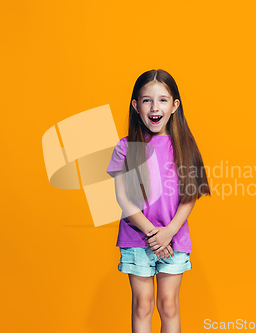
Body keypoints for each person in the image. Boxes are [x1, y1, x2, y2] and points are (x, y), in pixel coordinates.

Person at [106, 69, 210, 333]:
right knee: (143, 305)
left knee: (169, 305)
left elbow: (191, 193)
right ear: (136, 105)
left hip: (174, 239)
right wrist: (153, 234)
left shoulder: (185, 146)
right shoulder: (125, 146)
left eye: (163, 100)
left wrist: (169, 232)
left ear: (175, 105)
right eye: (147, 100)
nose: (155, 107)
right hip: (137, 238)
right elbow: (123, 198)